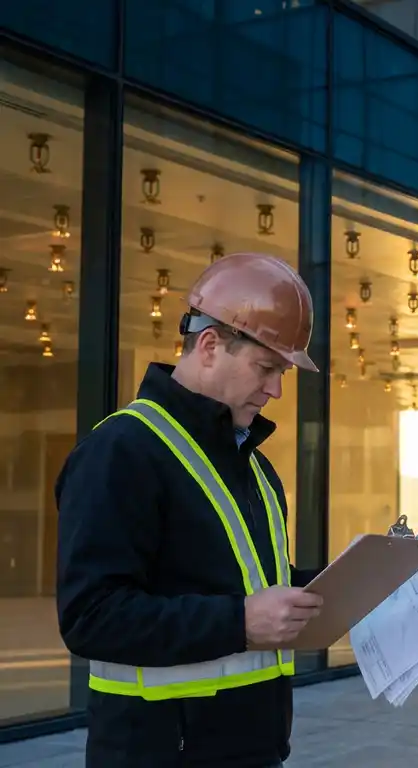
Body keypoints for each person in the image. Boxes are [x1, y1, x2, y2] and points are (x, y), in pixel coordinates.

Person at [55, 252, 324, 768]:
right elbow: (91, 617)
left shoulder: (253, 466)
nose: (275, 390)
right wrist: (239, 621)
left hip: (252, 751)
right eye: (266, 368)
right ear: (209, 346)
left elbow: (249, 586)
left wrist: (347, 582)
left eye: (283, 373)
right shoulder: (121, 452)